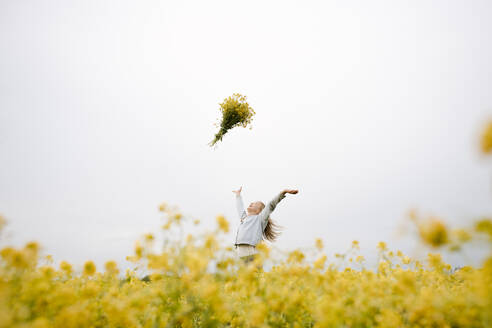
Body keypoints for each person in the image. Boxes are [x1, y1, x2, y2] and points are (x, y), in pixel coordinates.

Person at [232, 186, 298, 267]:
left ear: (259, 211)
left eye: (255, 204)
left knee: (257, 275)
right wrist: (238, 195)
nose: (251, 203)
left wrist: (283, 192)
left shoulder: (260, 219)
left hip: (251, 251)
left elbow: (271, 205)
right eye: (252, 203)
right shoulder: (244, 218)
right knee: (245, 277)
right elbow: (240, 207)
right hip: (240, 252)